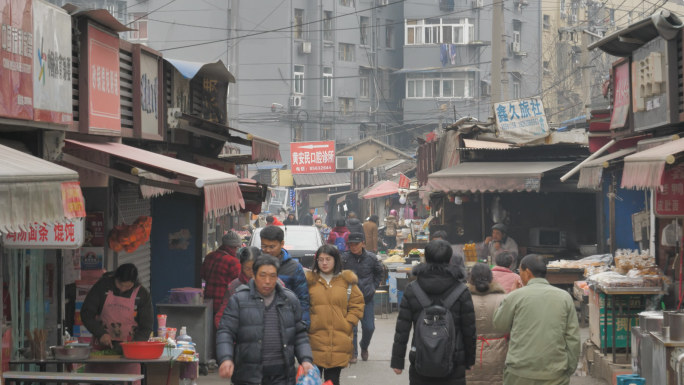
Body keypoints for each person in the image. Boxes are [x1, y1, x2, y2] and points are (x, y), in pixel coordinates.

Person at [217, 255, 314, 385]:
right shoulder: (239, 300)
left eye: (272, 276)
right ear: (254, 275)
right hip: (248, 375)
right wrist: (226, 358)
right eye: (262, 275)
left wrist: (306, 359)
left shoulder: (289, 300)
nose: (267, 281)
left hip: (282, 376)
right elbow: (225, 332)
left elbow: (299, 334)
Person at [391, 240, 476, 384]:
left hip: (421, 359)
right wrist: (469, 360)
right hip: (454, 361)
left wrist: (397, 361)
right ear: (449, 260)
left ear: (426, 258)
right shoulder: (461, 290)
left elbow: (402, 328)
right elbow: (469, 329)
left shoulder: (413, 289)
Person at [493, 254, 581, 385]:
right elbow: (573, 338)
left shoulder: (515, 296)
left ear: (527, 273)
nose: (519, 275)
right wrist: (568, 368)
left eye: (520, 271)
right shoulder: (564, 297)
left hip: (519, 373)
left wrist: (510, 295)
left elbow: (499, 325)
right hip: (555, 373)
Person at [81, 264, 153, 383]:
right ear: (115, 278)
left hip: (129, 357)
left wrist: (133, 347)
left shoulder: (142, 294)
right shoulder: (102, 286)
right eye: (120, 284)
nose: (122, 289)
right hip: (101, 352)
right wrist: (100, 333)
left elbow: (146, 327)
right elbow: (86, 314)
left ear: (134, 283)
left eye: (127, 286)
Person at [306, 245, 365, 385]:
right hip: (314, 339)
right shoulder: (309, 282)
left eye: (328, 259)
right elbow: (302, 306)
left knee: (332, 381)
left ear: (336, 260)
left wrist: (348, 323)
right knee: (312, 381)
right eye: (320, 260)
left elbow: (357, 304)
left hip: (338, 340)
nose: (324, 263)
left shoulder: (347, 281)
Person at [342, 232, 384, 363]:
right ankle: (353, 353)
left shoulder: (371, 258)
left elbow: (380, 272)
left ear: (363, 244)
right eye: (351, 244)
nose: (353, 247)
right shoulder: (344, 258)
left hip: (367, 298)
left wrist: (373, 287)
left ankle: (364, 346)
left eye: (356, 244)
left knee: (369, 327)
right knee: (351, 328)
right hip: (349, 300)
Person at [466, 263, 508, 385]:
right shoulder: (504, 299)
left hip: (470, 357)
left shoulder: (463, 299)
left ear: (471, 278)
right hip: (499, 355)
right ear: (491, 278)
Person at [260, 225, 310, 325]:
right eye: (264, 246)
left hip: (286, 323)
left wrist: (303, 326)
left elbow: (303, 300)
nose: (268, 251)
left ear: (282, 244)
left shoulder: (294, 267)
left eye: (272, 247)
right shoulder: (256, 264)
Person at [214, 247, 260, 329]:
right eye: (247, 269)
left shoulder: (272, 283)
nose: (251, 272)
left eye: (255, 268)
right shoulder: (234, 286)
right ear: (241, 266)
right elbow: (222, 316)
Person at [201, 231, 242, 319]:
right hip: (223, 305)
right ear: (231, 247)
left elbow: (203, 275)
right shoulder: (233, 262)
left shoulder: (209, 256)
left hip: (207, 303)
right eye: (236, 248)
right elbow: (239, 283)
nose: (236, 250)